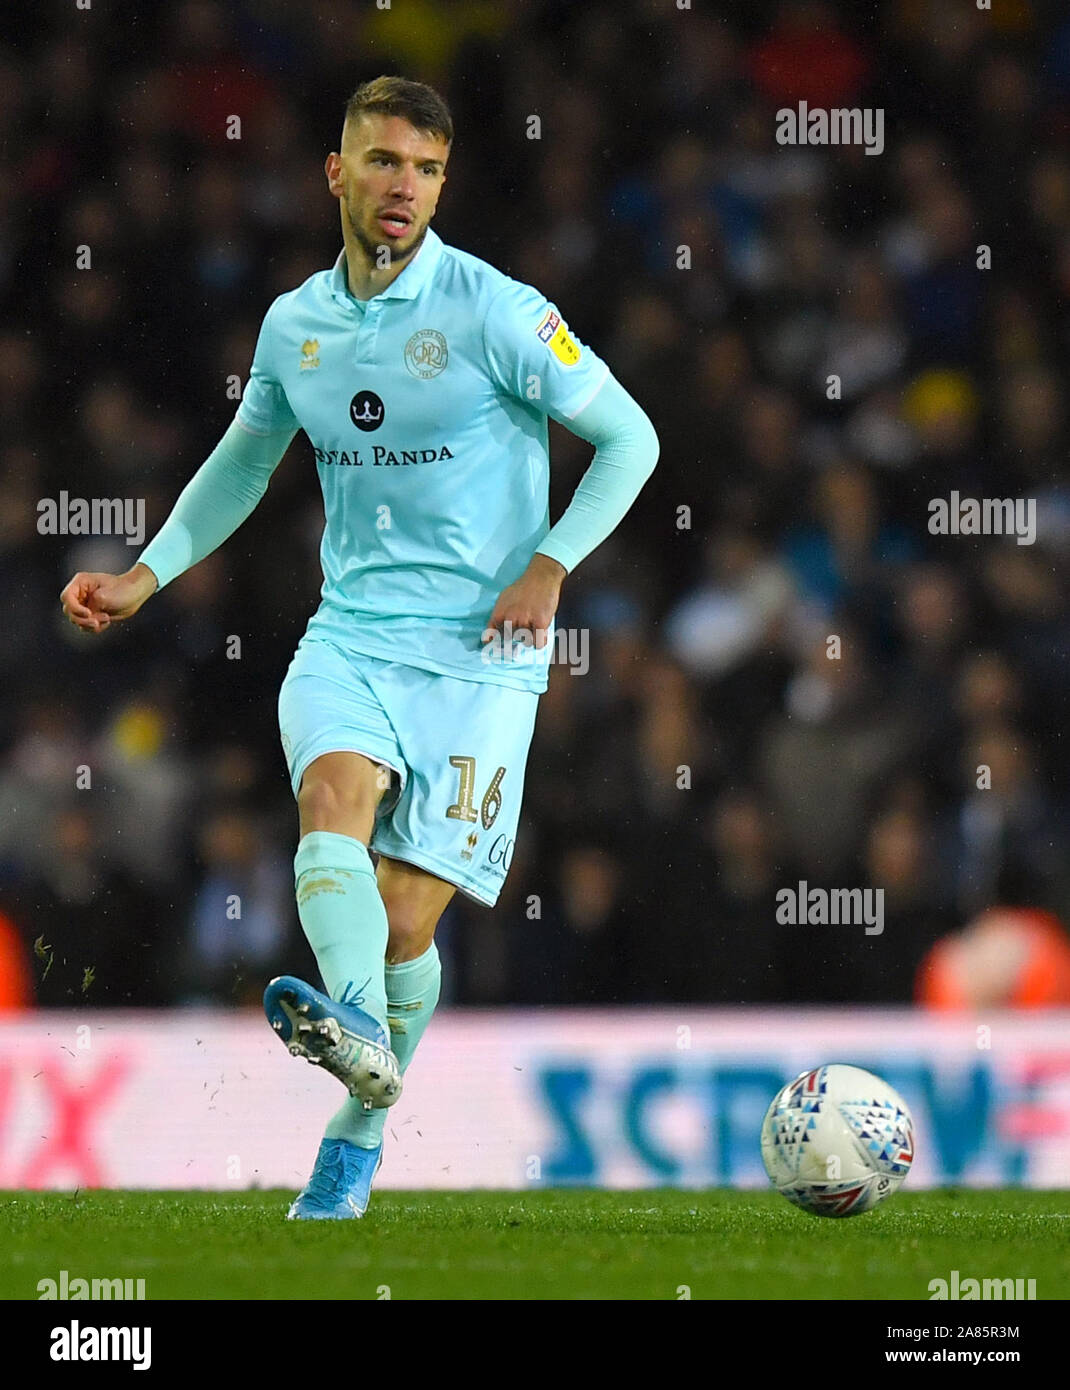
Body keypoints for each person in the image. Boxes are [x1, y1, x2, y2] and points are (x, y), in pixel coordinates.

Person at [59, 77, 659, 1219]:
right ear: (336, 173)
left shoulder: (497, 311)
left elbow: (629, 436)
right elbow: (244, 460)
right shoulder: (295, 325)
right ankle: (361, 1032)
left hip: (483, 654)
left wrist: (551, 561)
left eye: (426, 170)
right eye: (384, 162)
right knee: (330, 792)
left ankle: (359, 1115)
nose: (404, 188)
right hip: (352, 633)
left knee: (404, 923)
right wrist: (145, 575)